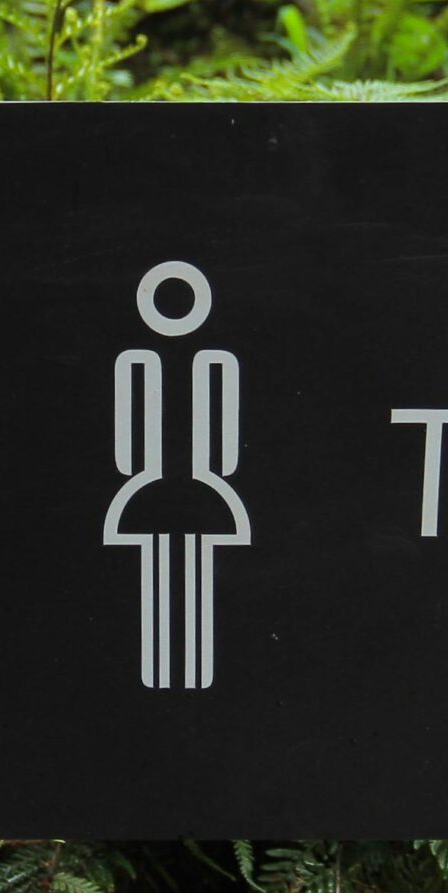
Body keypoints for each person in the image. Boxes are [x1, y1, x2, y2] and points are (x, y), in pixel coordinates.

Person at [104, 261, 249, 689]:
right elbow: (130, 447)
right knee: (167, 580)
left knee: (188, 580)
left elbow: (221, 446)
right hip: (164, 486)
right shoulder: (139, 362)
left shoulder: (212, 362)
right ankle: (168, 674)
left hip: (191, 488)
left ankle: (182, 674)